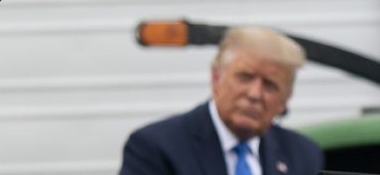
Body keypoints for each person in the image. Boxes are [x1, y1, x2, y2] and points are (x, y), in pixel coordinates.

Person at [119, 26, 324, 175]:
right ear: (216, 78)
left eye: (270, 85)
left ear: (284, 100)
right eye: (245, 77)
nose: (254, 94)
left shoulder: (303, 155)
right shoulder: (155, 147)